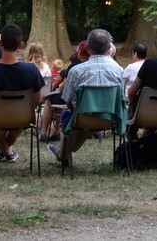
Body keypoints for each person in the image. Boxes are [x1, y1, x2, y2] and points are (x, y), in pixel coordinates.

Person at [47, 29, 123, 163]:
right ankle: (62, 153)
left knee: (71, 115)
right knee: (77, 114)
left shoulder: (76, 71)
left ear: (87, 47)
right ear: (108, 48)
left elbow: (67, 99)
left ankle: (62, 154)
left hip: (81, 119)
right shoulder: (118, 70)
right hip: (110, 119)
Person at [0, 24, 45, 163]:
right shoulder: (32, 70)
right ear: (21, 45)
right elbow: (37, 100)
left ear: (0, 44)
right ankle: (7, 152)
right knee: (15, 128)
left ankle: (7, 153)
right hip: (22, 118)